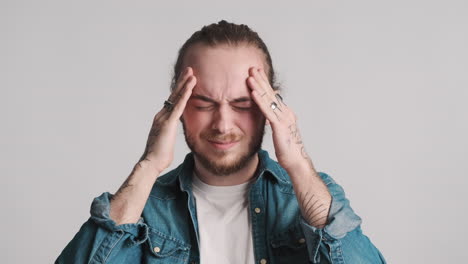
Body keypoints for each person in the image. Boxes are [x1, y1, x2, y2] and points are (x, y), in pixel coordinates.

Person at [56, 20, 386, 264]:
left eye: (242, 105)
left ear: (271, 108)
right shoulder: (144, 210)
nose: (223, 124)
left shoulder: (313, 195)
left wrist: (298, 163)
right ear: (177, 108)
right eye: (203, 104)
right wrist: (148, 165)